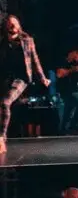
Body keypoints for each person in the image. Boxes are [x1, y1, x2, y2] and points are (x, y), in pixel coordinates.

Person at [0, 14, 50, 154]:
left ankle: (1, 137)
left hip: (20, 79)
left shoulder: (27, 41)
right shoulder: (3, 42)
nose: (12, 28)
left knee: (5, 103)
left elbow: (35, 61)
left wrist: (42, 78)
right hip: (4, 78)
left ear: (18, 26)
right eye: (9, 25)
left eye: (14, 25)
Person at [56, 45, 78, 133]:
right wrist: (73, 70)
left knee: (69, 111)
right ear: (75, 52)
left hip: (75, 90)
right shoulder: (63, 61)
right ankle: (72, 127)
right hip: (68, 90)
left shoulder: (75, 63)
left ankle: (64, 130)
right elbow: (59, 74)